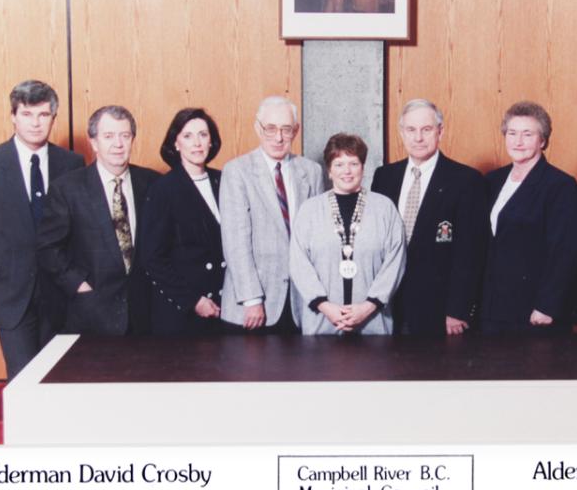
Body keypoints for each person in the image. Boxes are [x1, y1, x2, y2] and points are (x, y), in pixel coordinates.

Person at [0, 80, 84, 378]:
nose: (36, 123)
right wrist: (1, 254)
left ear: (53, 117)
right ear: (13, 116)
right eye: (27, 114)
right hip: (11, 292)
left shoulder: (72, 163)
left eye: (43, 115)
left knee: (60, 376)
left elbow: (81, 224)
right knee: (23, 378)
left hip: (59, 292)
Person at [37, 105, 158, 336]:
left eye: (125, 135)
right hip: (91, 313)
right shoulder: (67, 188)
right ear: (94, 143)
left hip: (145, 314)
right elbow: (48, 248)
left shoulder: (152, 183)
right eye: (109, 136)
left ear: (133, 139)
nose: (118, 144)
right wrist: (78, 285)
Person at [370, 99, 487, 335]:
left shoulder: (466, 181)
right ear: (401, 133)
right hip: (387, 304)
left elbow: (470, 252)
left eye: (426, 129)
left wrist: (458, 309)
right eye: (411, 130)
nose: (418, 138)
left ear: (440, 132)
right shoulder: (384, 177)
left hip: (439, 309)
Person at [219, 96, 325, 333]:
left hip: (302, 303)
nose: (278, 138)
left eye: (286, 129)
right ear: (258, 128)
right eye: (270, 129)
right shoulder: (237, 172)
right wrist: (252, 299)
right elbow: (236, 242)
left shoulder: (312, 171)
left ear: (295, 131)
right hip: (256, 306)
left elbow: (318, 239)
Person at [481, 101, 577, 335]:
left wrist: (547, 306)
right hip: (494, 307)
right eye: (512, 133)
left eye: (527, 134)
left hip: (535, 309)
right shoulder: (492, 180)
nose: (518, 141)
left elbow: (566, 251)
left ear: (543, 140)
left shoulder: (560, 185)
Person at [290, 133, 406, 335]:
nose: (347, 171)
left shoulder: (384, 207)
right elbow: (299, 263)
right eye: (339, 164)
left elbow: (396, 261)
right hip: (322, 321)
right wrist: (325, 306)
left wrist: (368, 306)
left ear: (363, 167)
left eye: (353, 163)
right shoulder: (309, 210)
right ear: (329, 170)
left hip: (373, 321)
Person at [136, 108, 225, 337]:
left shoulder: (224, 180)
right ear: (175, 143)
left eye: (203, 135)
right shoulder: (163, 189)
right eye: (187, 136)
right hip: (184, 311)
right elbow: (152, 258)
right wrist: (193, 300)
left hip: (225, 306)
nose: (197, 143)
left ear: (211, 142)